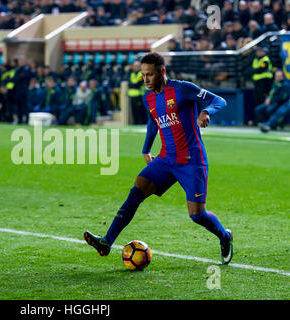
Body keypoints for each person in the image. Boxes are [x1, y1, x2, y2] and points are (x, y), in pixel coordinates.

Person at [84, 52, 233, 265]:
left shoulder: (183, 89)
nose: (145, 80)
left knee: (197, 214)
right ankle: (107, 241)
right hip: (165, 159)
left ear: (162, 72)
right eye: (143, 75)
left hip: (191, 160)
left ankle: (225, 236)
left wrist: (206, 111)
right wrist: (146, 149)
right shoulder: (149, 98)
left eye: (150, 75)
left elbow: (218, 100)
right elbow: (153, 123)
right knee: (136, 192)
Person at [127, 60, 147, 124]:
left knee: (141, 110)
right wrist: (132, 85)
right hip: (132, 95)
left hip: (139, 95)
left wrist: (132, 85)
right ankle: (136, 123)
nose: (136, 67)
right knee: (134, 111)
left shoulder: (141, 74)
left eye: (137, 66)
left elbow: (138, 84)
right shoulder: (131, 73)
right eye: (135, 66)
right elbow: (127, 82)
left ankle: (142, 123)